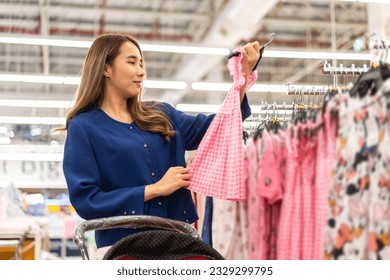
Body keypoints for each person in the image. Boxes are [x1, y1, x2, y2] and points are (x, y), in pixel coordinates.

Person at [61, 33, 260, 258]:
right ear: (106, 69)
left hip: (179, 243)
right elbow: (87, 200)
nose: (141, 71)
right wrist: (155, 189)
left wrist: (241, 80)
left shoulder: (161, 114)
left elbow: (215, 128)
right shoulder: (84, 127)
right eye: (132, 62)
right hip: (122, 248)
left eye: (142, 63)